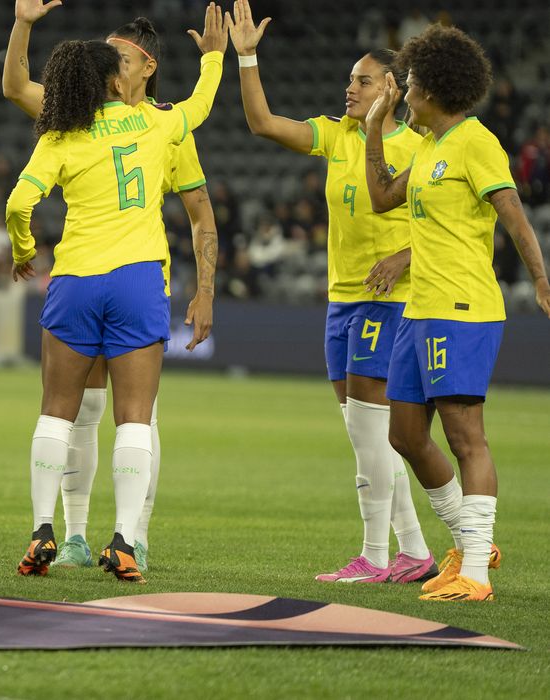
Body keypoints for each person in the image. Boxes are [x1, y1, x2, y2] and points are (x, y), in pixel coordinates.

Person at [6, 4, 226, 583]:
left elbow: (17, 204)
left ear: (143, 66)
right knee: (135, 419)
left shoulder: (62, 130)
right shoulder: (162, 125)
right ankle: (124, 541)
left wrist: (24, 250)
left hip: (76, 278)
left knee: (57, 412)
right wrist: (217, 56)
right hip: (138, 279)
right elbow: (202, 105)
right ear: (111, 77)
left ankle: (41, 529)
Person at [227, 0, 434, 584]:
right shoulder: (339, 135)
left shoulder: (419, 149)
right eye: (348, 80)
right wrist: (246, 58)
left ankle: (374, 557)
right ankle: (413, 551)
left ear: (390, 88)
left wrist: (403, 256)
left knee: (373, 431)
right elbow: (264, 123)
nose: (349, 90)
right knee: (362, 432)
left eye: (361, 81)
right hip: (341, 299)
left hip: (387, 302)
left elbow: (449, 231)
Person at [363, 24, 550, 601]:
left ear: (434, 90)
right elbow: (380, 198)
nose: (405, 92)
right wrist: (374, 130)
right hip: (419, 310)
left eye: (411, 83)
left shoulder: (476, 142)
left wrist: (542, 280)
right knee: (405, 435)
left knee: (467, 436)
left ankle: (475, 572)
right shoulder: (424, 147)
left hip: (463, 308)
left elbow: (514, 217)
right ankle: (470, 543)